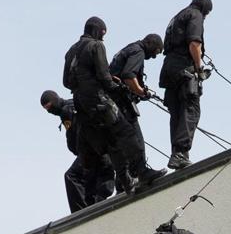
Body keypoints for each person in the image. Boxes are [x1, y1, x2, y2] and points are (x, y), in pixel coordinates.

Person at [64, 17, 166, 193]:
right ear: (98, 30)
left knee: (112, 142)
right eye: (103, 33)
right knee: (127, 134)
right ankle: (141, 172)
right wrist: (118, 88)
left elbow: (66, 82)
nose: (103, 37)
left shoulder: (71, 51)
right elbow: (104, 77)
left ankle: (126, 181)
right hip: (99, 101)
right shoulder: (96, 46)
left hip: (83, 107)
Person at [40, 89, 117, 211]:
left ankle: (80, 213)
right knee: (98, 187)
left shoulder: (66, 111)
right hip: (105, 149)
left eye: (50, 107)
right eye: (47, 110)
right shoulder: (74, 104)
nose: (50, 111)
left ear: (55, 100)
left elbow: (72, 138)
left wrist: (77, 150)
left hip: (92, 152)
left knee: (71, 176)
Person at [159, 0, 212, 170]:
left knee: (177, 112)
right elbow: (194, 44)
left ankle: (177, 153)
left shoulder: (177, 17)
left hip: (169, 69)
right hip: (184, 68)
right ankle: (180, 153)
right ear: (205, 9)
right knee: (191, 109)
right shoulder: (195, 15)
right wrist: (199, 68)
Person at [109, 34, 164, 178]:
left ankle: (125, 181)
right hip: (122, 102)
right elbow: (128, 75)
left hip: (113, 104)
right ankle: (141, 173)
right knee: (135, 137)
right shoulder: (138, 51)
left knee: (121, 143)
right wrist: (141, 92)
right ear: (150, 43)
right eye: (156, 51)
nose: (154, 56)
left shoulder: (127, 49)